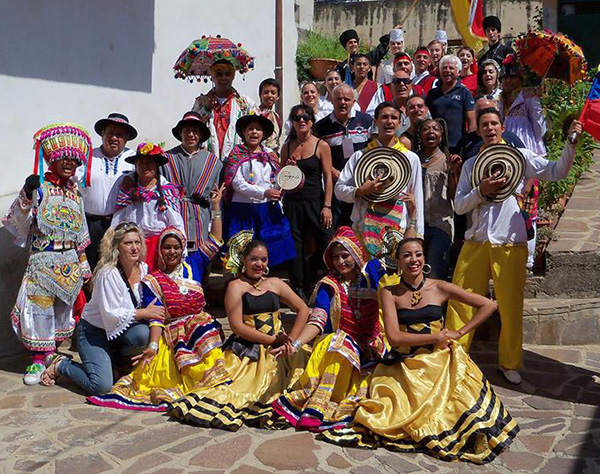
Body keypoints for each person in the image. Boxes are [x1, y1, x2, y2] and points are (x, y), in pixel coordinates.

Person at [320, 238, 519, 464]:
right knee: (389, 413)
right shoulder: (389, 292)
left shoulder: (440, 287)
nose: (413, 260)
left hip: (440, 360)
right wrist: (437, 335)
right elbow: (394, 337)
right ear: (398, 261)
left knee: (460, 406)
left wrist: (461, 332)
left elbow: (489, 305)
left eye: (417, 254)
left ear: (424, 258)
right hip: (405, 363)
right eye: (406, 255)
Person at [446, 108, 582, 385]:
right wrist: (480, 190)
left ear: (502, 126)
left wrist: (570, 144)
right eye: (485, 125)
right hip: (476, 241)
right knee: (461, 302)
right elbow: (459, 206)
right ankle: (454, 358)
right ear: (478, 130)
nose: (490, 128)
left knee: (510, 306)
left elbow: (556, 171)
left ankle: (508, 362)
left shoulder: (518, 156)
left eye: (494, 123)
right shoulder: (472, 164)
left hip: (510, 242)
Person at [168, 234, 311, 430]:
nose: (259, 264)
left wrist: (291, 341)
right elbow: (237, 326)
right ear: (244, 260)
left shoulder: (275, 283)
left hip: (281, 346)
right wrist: (271, 340)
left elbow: (303, 309)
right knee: (241, 388)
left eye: (263, 259)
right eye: (253, 259)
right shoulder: (235, 286)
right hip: (249, 348)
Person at [87, 219, 231, 411]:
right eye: (167, 247)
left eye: (176, 247)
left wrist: (216, 209)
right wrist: (153, 346)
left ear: (182, 249)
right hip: (172, 332)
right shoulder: (153, 279)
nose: (172, 252)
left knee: (208, 345)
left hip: (201, 329)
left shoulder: (194, 264)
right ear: (160, 250)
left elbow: (215, 241)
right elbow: (156, 316)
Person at [272, 226, 388, 431]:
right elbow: (318, 319)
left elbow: (402, 257)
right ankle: (320, 406)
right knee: (338, 342)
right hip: (340, 347)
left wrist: (413, 217)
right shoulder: (329, 285)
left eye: (345, 256)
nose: (340, 262)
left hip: (371, 343)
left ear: (356, 254)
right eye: (336, 257)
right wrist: (296, 344)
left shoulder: (372, 271)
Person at [3, 123, 92, 385]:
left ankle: (51, 351)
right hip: (43, 260)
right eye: (64, 158)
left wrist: (83, 263)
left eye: (74, 161)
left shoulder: (75, 193)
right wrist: (25, 194)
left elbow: (80, 231)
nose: (69, 164)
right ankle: (38, 359)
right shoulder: (39, 188)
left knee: (62, 310)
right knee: (39, 310)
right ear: (52, 159)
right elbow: (17, 221)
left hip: (69, 262)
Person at [40, 223, 157, 393]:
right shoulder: (108, 274)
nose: (134, 248)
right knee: (101, 386)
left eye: (137, 243)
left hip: (120, 332)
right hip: (93, 332)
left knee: (142, 334)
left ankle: (115, 363)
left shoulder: (144, 269)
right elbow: (111, 313)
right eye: (128, 243)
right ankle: (62, 366)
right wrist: (145, 313)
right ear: (117, 247)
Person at [335, 101, 424, 258]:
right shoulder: (360, 156)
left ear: (400, 122)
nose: (389, 122)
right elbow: (339, 190)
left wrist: (417, 236)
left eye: (394, 118)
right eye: (384, 117)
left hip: (397, 233)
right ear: (375, 121)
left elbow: (417, 199)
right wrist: (360, 191)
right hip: (363, 231)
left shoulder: (410, 158)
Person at [222, 114, 296, 267]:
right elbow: (237, 183)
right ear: (244, 132)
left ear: (264, 134)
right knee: (241, 248)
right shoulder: (236, 153)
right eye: (250, 129)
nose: (254, 132)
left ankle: (263, 280)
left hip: (267, 209)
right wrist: (263, 193)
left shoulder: (270, 154)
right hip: (242, 210)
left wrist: (288, 173)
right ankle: (238, 282)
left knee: (267, 247)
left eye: (258, 129)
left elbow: (275, 182)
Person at [499, 55, 548, 271]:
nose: (509, 81)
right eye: (505, 77)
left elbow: (540, 128)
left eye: (513, 76)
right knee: (509, 206)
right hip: (507, 159)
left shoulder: (527, 98)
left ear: (520, 78)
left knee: (529, 208)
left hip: (527, 156)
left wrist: (535, 100)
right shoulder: (500, 101)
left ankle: (527, 261)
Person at [281, 105, 334, 299]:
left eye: (305, 117)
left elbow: (328, 177)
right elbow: (283, 179)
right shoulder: (287, 147)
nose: (301, 121)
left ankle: (314, 275)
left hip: (315, 201)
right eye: (296, 118)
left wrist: (327, 206)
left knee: (326, 240)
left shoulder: (321, 145)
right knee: (294, 245)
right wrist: (290, 169)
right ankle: (298, 286)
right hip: (293, 203)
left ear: (311, 121)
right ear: (292, 123)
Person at [163, 111, 222, 275]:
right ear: (180, 133)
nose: (191, 134)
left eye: (195, 131)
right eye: (187, 130)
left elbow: (215, 197)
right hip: (173, 215)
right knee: (172, 259)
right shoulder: (166, 158)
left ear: (201, 134)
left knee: (200, 262)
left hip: (200, 219)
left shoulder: (212, 162)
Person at [112, 142, 184, 271]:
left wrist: (181, 251)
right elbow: (117, 221)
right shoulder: (127, 190)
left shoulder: (167, 191)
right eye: (141, 162)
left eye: (150, 162)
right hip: (134, 246)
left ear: (156, 166)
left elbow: (177, 223)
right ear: (136, 166)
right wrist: (112, 246)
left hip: (160, 248)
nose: (146, 166)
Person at [78, 113, 137, 271]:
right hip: (90, 226)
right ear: (102, 134)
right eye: (111, 133)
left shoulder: (134, 159)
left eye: (120, 135)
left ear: (126, 139)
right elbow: (70, 182)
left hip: (120, 226)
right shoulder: (87, 157)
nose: (115, 138)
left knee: (116, 270)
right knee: (88, 269)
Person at [315, 83, 373, 228]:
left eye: (347, 99)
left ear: (354, 102)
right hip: (336, 186)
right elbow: (319, 155)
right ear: (332, 101)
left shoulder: (367, 121)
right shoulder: (321, 127)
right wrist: (333, 171)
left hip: (362, 184)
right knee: (339, 227)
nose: (342, 102)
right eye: (338, 99)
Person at [415, 118, 459, 280]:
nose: (431, 132)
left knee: (434, 272)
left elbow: (455, 197)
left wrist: (454, 173)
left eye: (435, 129)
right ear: (419, 135)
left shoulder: (447, 161)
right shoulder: (413, 160)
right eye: (426, 129)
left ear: (441, 135)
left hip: (440, 225)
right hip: (415, 225)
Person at [192, 59, 254, 160]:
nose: (223, 78)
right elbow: (191, 127)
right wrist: (206, 109)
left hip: (237, 161)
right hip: (207, 160)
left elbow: (256, 128)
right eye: (219, 74)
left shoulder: (245, 103)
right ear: (212, 76)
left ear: (233, 76)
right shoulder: (201, 102)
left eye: (227, 74)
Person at [426, 55, 476, 150]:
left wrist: (469, 145)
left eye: (451, 68)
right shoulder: (432, 93)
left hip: (457, 146)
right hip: (435, 146)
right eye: (444, 68)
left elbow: (472, 123)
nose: (447, 71)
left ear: (459, 72)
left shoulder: (465, 93)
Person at [454, 97, 525, 162]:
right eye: (481, 111)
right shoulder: (465, 141)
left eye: (489, 110)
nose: (490, 127)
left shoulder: (511, 138)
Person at [255, 78, 283, 153]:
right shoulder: (255, 114)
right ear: (260, 95)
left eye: (273, 93)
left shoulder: (276, 116)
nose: (269, 95)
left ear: (277, 96)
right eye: (266, 92)